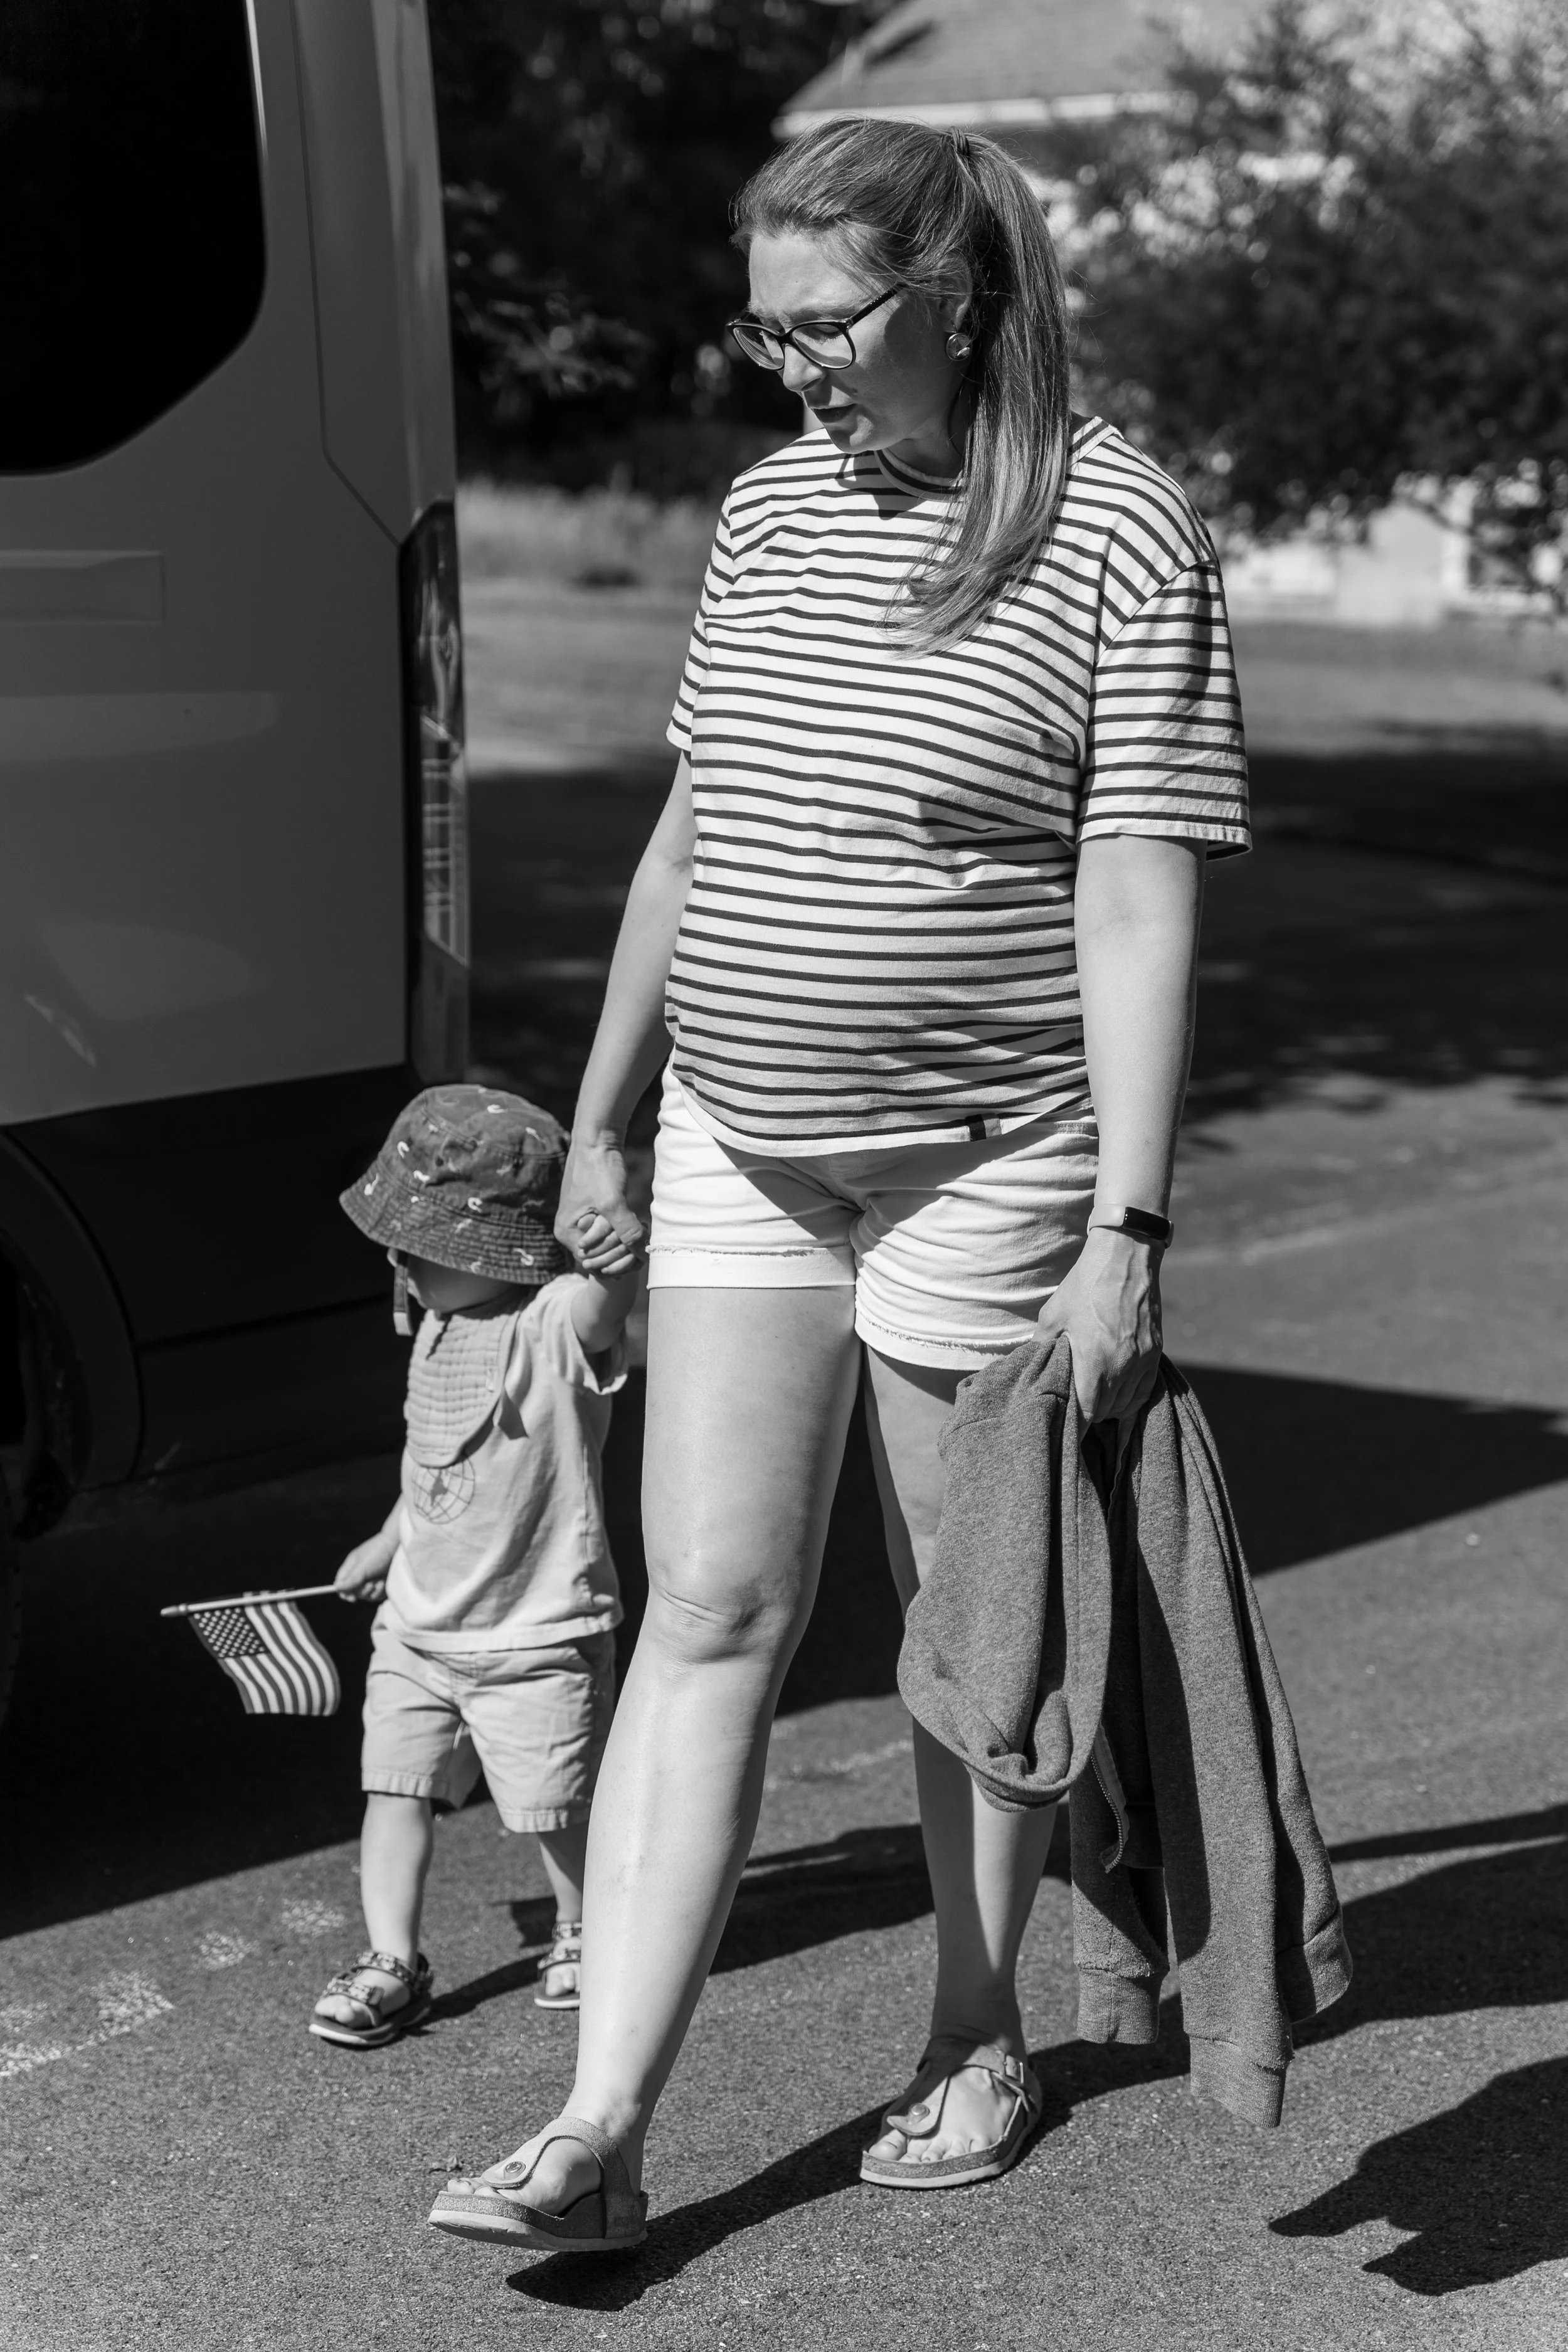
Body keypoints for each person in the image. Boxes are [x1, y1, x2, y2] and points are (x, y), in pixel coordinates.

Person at [430, 116, 1249, 2252]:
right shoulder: (775, 506)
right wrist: (604, 1113)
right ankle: (599, 2125)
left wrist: (1127, 1232)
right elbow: (690, 841)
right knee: (704, 1608)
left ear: (958, 295)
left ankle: (977, 2025)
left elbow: (1136, 894)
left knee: (964, 1645)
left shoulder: (1121, 528)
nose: (787, 366)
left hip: (991, 1167)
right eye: (763, 323)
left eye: (829, 323)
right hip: (738, 1139)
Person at [310, 1086, 637, 2048]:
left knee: (556, 1807)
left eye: (423, 1243)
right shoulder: (438, 1323)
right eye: (400, 1241)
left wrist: (616, 1261)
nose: (399, 1258)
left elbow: (602, 1305)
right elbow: (434, 1459)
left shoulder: (549, 1326)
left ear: (495, 1248)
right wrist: (389, 1536)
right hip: (418, 1627)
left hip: (536, 1632)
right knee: (395, 1788)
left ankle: (585, 1929)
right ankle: (390, 1959)